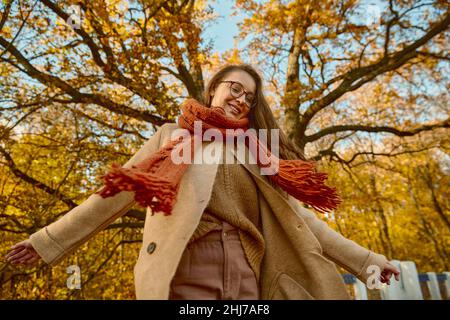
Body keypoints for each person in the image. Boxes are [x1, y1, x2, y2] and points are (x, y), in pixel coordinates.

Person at [5, 63, 400, 300]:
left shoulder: (258, 152)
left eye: (250, 96)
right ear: (214, 89)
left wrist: (368, 262)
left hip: (249, 272)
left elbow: (303, 223)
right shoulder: (174, 139)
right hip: (189, 265)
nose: (242, 99)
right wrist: (47, 241)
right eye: (234, 88)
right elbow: (115, 194)